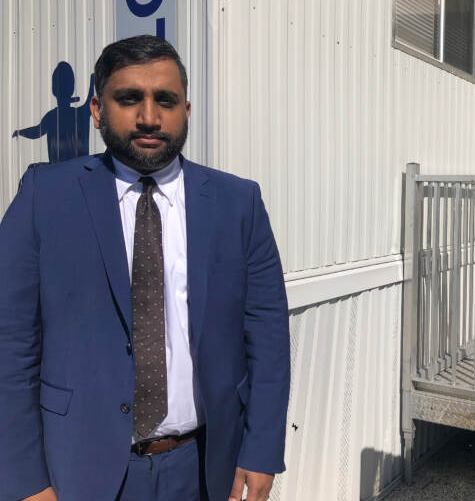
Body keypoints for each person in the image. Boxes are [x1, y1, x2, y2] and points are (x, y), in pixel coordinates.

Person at [0, 35, 290, 501]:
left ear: (187, 111)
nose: (150, 117)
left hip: (203, 467)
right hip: (77, 469)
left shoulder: (239, 203)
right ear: (97, 110)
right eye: (129, 98)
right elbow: (10, 346)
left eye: (166, 100)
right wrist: (25, 480)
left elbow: (269, 337)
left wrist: (260, 451)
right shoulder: (44, 198)